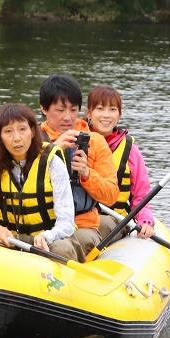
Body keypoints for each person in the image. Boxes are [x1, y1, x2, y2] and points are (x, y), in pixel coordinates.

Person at [0, 103, 76, 259]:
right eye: (8, 131)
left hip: (51, 240)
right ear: (0, 137)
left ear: (33, 131)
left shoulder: (53, 164)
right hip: (13, 240)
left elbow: (67, 222)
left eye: (22, 129)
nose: (17, 138)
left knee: (61, 249)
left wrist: (47, 236)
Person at [38, 75, 119, 258]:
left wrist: (86, 173)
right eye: (60, 110)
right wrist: (53, 150)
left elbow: (111, 196)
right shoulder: (30, 140)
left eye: (73, 110)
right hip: (41, 224)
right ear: (44, 108)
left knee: (61, 248)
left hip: (82, 225)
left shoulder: (96, 142)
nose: (68, 117)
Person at [86, 85, 156, 239]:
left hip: (113, 219)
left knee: (100, 224)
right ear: (88, 113)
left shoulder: (130, 151)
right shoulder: (75, 142)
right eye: (100, 109)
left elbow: (141, 194)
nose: (106, 115)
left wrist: (145, 220)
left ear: (119, 115)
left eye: (112, 109)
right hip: (80, 218)